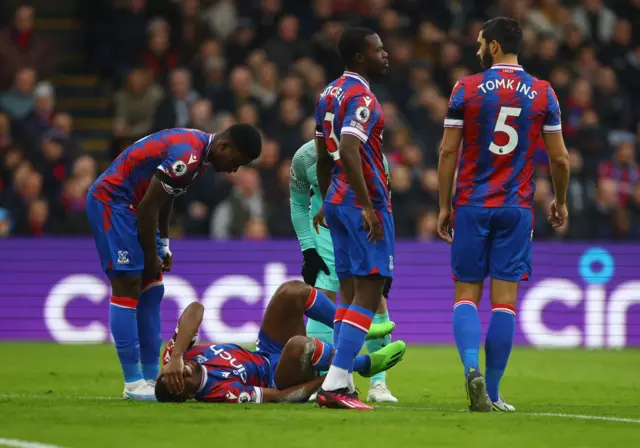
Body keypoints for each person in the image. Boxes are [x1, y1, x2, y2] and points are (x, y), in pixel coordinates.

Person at [437, 17, 570, 412]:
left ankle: (471, 369)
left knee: (466, 294)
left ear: (493, 46)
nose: (477, 48)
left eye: (480, 42)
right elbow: (560, 158)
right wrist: (560, 201)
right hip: (516, 208)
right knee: (504, 302)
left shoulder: (466, 88)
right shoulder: (543, 93)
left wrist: (445, 204)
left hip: (473, 205)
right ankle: (492, 393)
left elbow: (447, 152)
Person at [86, 125, 262, 400]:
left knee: (153, 288)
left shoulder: (199, 157)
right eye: (235, 162)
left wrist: (163, 245)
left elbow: (164, 198)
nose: (233, 170)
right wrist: (149, 256)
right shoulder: (188, 155)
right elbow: (148, 206)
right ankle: (133, 384)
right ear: (225, 147)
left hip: (137, 206)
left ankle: (147, 377)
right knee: (129, 283)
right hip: (114, 202)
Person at [154, 280, 406, 403]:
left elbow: (195, 308)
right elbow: (279, 396)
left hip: (265, 350)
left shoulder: (176, 359)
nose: (183, 373)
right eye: (181, 381)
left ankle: (355, 324)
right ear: (187, 394)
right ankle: (363, 364)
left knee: (292, 291)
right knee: (298, 345)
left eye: (175, 373)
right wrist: (324, 382)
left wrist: (175, 356)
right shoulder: (221, 393)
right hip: (278, 375)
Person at [313, 27, 393, 410]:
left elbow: (320, 149)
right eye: (378, 50)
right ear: (360, 57)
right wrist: (365, 205)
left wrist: (326, 198)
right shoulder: (362, 96)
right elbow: (347, 149)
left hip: (336, 201)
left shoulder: (329, 92)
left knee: (347, 292)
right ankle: (334, 381)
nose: (385, 54)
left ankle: (340, 383)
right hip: (364, 203)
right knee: (370, 291)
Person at [290, 139, 398, 403]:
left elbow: (385, 206)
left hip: (364, 231)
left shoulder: (376, 159)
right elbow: (297, 203)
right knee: (323, 297)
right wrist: (308, 249)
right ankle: (326, 378)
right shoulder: (305, 157)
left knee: (375, 300)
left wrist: (386, 255)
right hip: (324, 230)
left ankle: (378, 384)